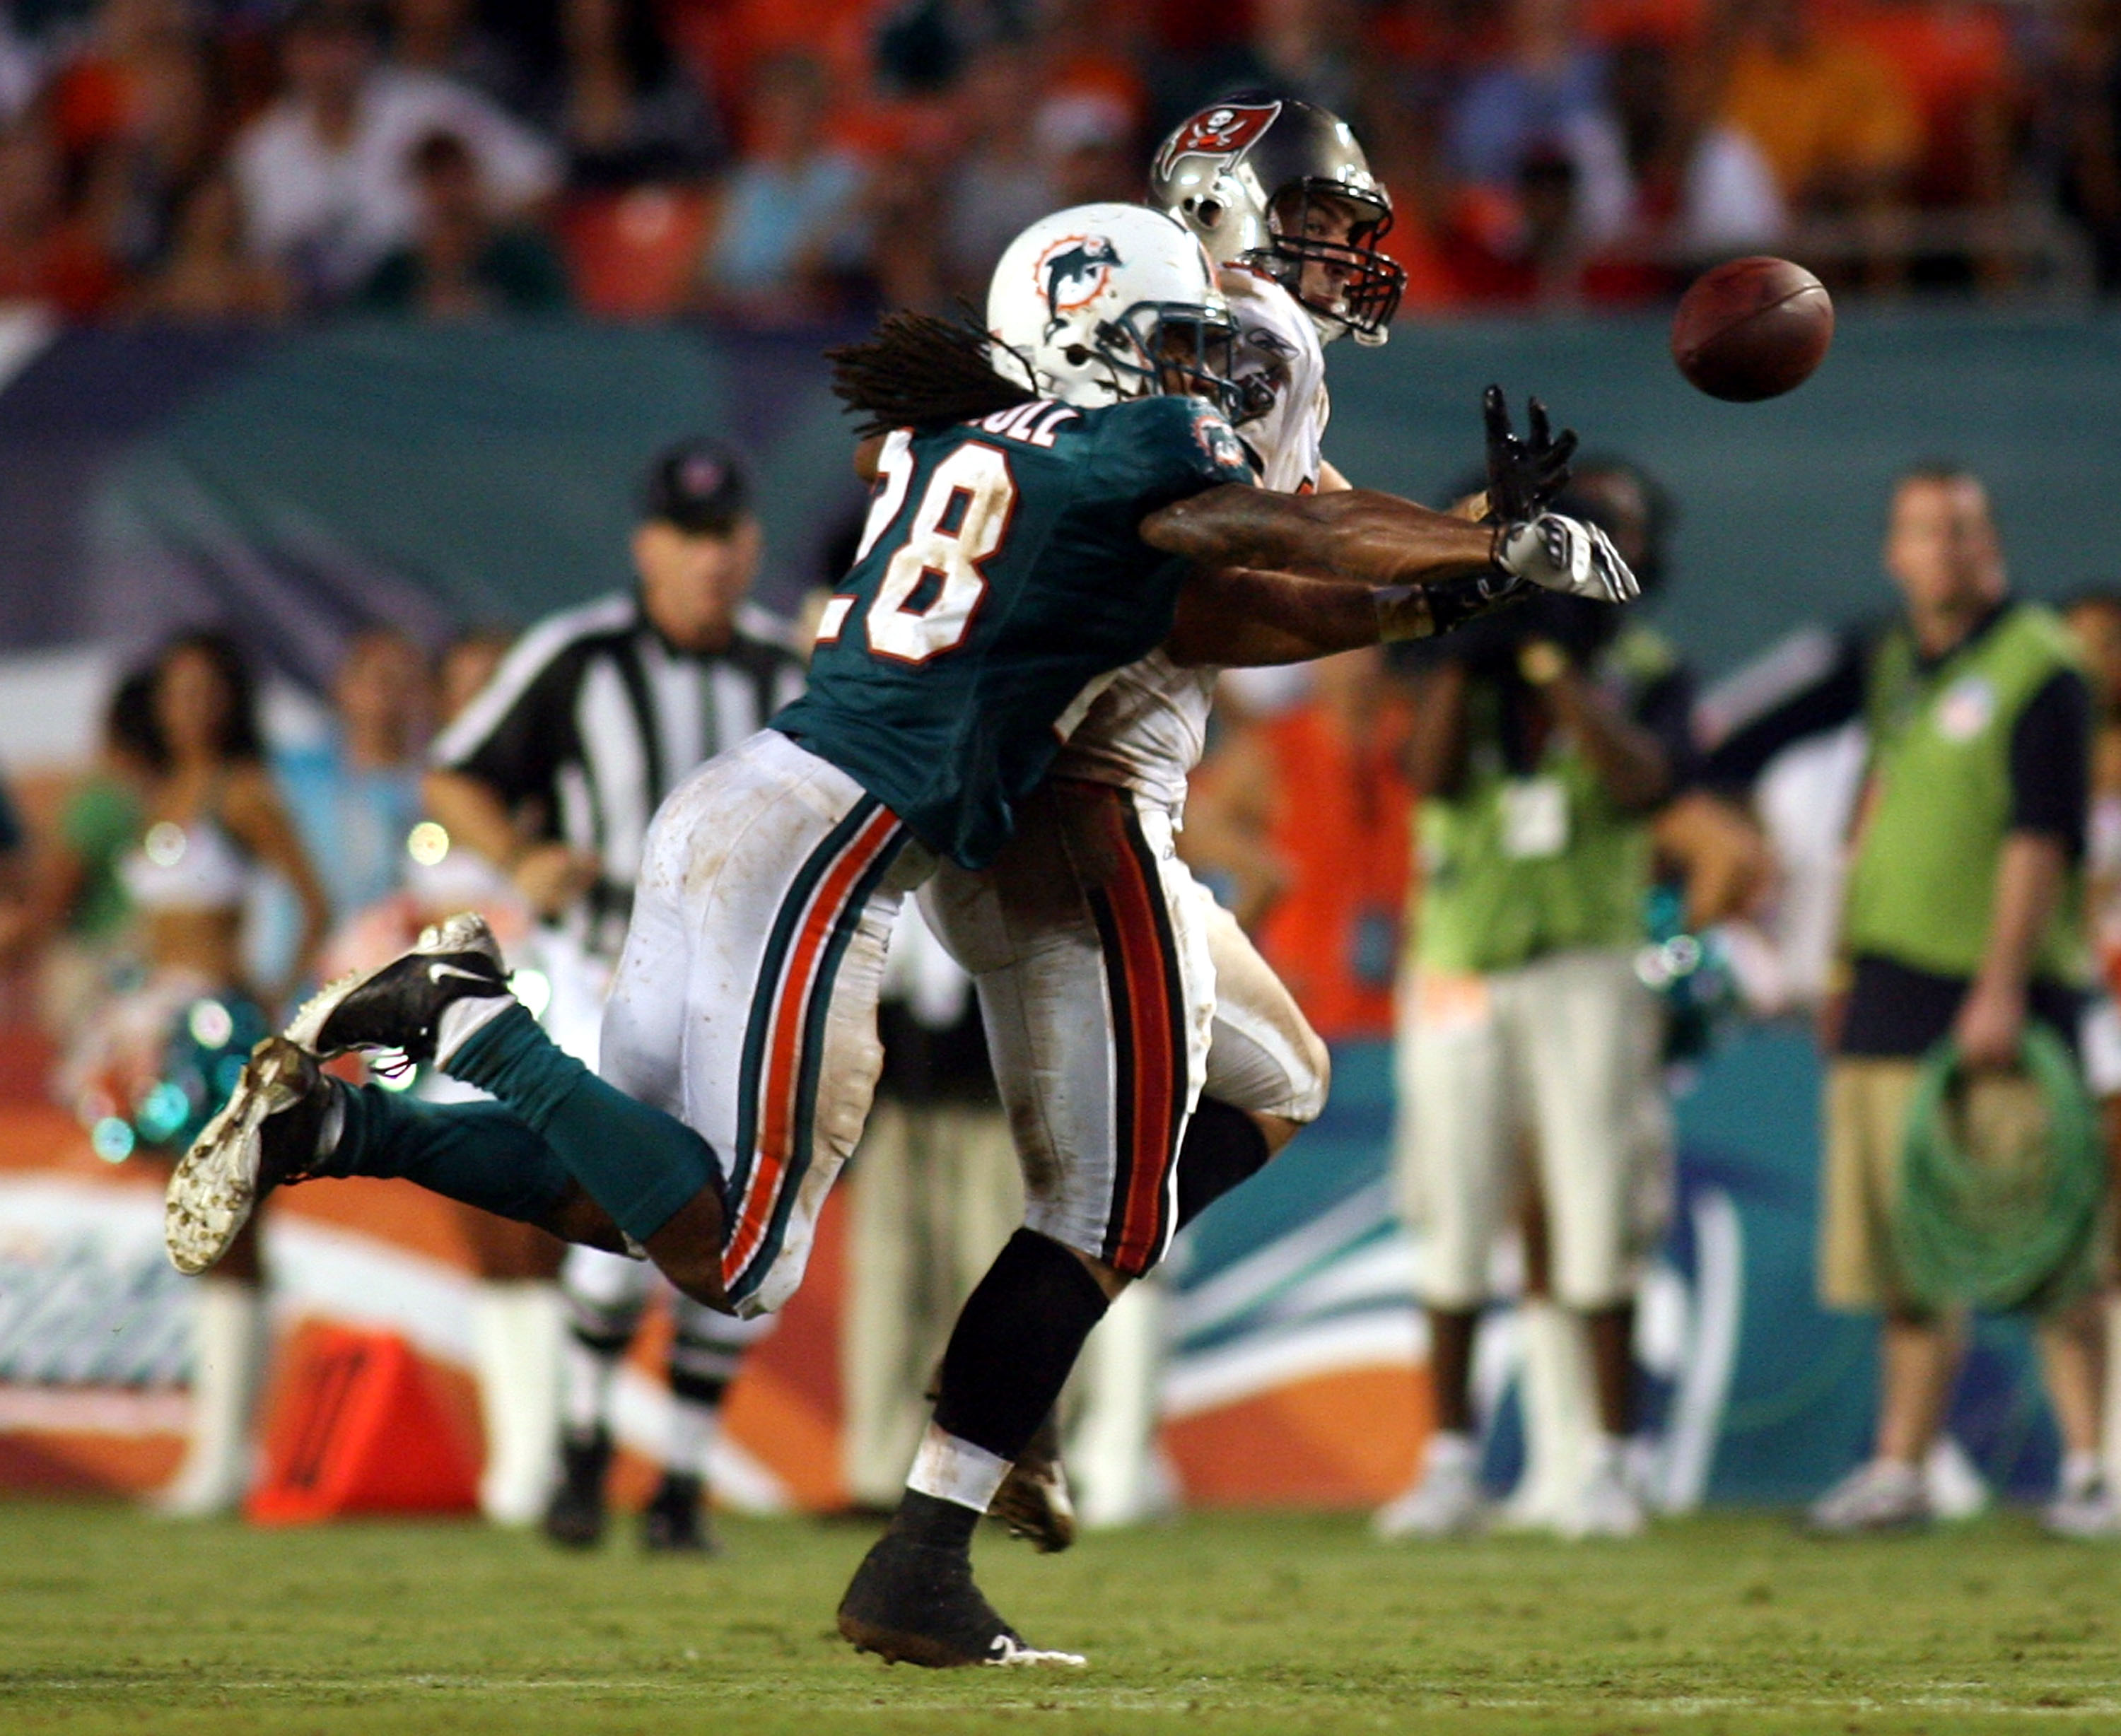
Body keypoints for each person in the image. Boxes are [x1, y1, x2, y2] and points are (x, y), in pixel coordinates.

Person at [171, 201, 1635, 1662]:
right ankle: (464, 1019)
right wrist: (1469, 538)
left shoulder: (967, 441)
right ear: (1080, 338)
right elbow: (1264, 527)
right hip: (831, 841)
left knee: (646, 1198)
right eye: (1168, 346)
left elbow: (1216, 594)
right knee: (743, 1256)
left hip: (751, 808)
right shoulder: (1112, 445)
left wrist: (1443, 583)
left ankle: (339, 1134)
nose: (1197, 379)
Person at [1705, 465, 2107, 1535]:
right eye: (1927, 532)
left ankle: (2091, 1468)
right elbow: (1869, 812)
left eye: (1966, 530)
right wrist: (1840, 962)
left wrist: (2002, 985)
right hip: (1889, 980)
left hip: (1999, 992)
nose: (1949, 550)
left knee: (2049, 1238)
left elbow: (2042, 839)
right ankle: (1902, 1468)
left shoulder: (2043, 666)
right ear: (1895, 552)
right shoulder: (1893, 663)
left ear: (1994, 545)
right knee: (1905, 1250)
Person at [423, 437, 801, 1554]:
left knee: (750, 1234)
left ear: (752, 543)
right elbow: (455, 772)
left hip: (751, 989)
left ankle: (676, 1485)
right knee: (632, 1218)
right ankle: (587, 1448)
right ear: (647, 546)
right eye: (687, 537)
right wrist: (516, 856)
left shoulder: (788, 669)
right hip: (610, 969)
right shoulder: (579, 655)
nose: (710, 559)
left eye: (725, 534)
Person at [1375, 466, 1684, 1542]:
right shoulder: (1448, 664)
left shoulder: (1642, 665)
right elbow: (1430, 778)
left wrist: (1554, 661)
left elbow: (1644, 782)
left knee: (1600, 1211)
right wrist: (1471, 652)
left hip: (1589, 961)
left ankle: (1609, 1460)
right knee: (1454, 1211)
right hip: (1462, 961)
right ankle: (1452, 1460)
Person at [109, 633, 329, 1518]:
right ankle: (216, 1450)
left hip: (216, 1027)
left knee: (231, 1225)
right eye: (176, 689)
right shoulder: (153, 792)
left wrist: (277, 1000)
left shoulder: (242, 792)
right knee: (195, 1228)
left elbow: (312, 899)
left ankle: (230, 1456)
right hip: (157, 1027)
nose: (190, 706)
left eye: (206, 690)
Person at [233, 0, 558, 306]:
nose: (331, 60)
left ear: (369, 45)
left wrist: (462, 220)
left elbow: (539, 181)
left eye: (344, 40)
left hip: (418, 315)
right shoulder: (260, 149)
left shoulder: (432, 106)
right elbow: (250, 261)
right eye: (316, 43)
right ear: (288, 53)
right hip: (311, 333)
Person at [356, 127, 571, 317]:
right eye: (435, 178)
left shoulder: (521, 261)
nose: (448, 192)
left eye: (457, 176)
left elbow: (557, 325)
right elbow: (363, 329)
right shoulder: (394, 272)